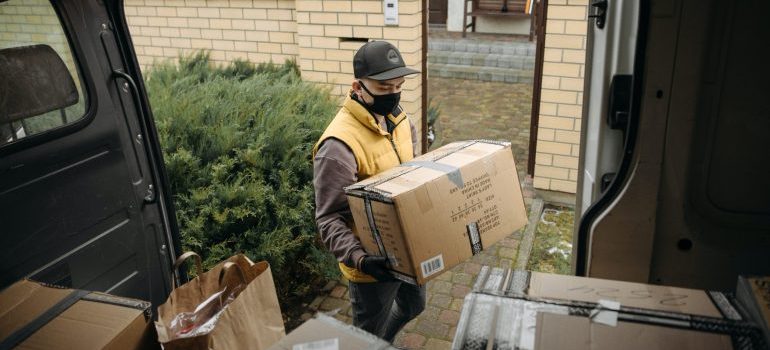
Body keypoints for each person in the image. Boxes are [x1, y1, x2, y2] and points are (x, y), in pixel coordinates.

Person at [312, 40, 425, 342]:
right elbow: (328, 219)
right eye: (384, 88)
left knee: (415, 306)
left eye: (398, 86)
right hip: (372, 267)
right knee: (366, 336)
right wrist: (361, 259)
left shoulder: (401, 121)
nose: (394, 95)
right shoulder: (337, 146)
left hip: (409, 248)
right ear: (358, 86)